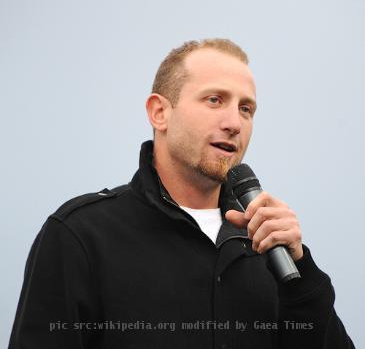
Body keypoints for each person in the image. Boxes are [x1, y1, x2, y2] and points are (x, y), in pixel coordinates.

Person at [9, 38, 354, 349]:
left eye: (246, 109)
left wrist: (301, 274)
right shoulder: (81, 235)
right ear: (160, 113)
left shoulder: (270, 247)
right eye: (215, 100)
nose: (234, 122)